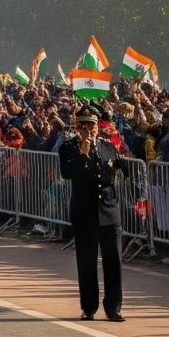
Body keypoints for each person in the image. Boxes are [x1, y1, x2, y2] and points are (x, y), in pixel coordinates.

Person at [58, 111, 124, 320]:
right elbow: (67, 173)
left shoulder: (108, 146)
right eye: (83, 125)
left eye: (92, 125)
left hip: (108, 210)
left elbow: (119, 171)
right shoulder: (68, 147)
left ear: (97, 126)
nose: (88, 129)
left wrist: (123, 157)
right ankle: (89, 307)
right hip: (85, 211)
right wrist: (82, 155)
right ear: (77, 127)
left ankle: (113, 308)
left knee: (113, 261)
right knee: (86, 262)